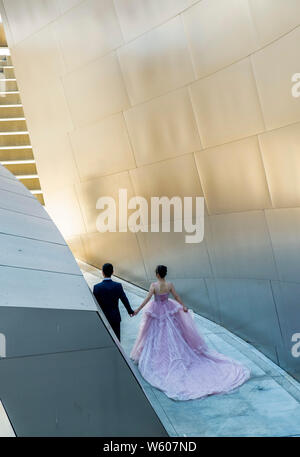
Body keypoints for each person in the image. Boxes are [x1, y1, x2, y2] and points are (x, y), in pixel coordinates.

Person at [130, 265, 250, 401]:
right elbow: (176, 296)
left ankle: (158, 356)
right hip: (168, 309)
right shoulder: (169, 285)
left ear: (157, 274)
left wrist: (137, 310)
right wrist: (183, 306)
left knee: (155, 335)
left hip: (157, 310)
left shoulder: (153, 286)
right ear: (164, 274)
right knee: (173, 334)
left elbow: (147, 300)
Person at [93, 263, 134, 341]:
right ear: (112, 272)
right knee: (117, 340)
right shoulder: (117, 286)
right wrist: (130, 311)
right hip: (115, 318)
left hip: (103, 319)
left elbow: (95, 304)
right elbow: (124, 299)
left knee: (104, 340)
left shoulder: (97, 287)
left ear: (102, 272)